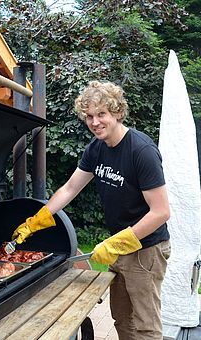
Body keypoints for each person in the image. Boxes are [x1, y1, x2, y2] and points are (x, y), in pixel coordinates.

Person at [12, 80, 171, 340]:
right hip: (119, 247)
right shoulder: (96, 149)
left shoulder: (141, 151)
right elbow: (71, 188)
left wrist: (118, 242)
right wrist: (38, 219)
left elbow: (161, 212)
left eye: (101, 114)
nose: (95, 122)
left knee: (145, 325)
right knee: (122, 317)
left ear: (118, 112)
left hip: (146, 250)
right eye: (89, 116)